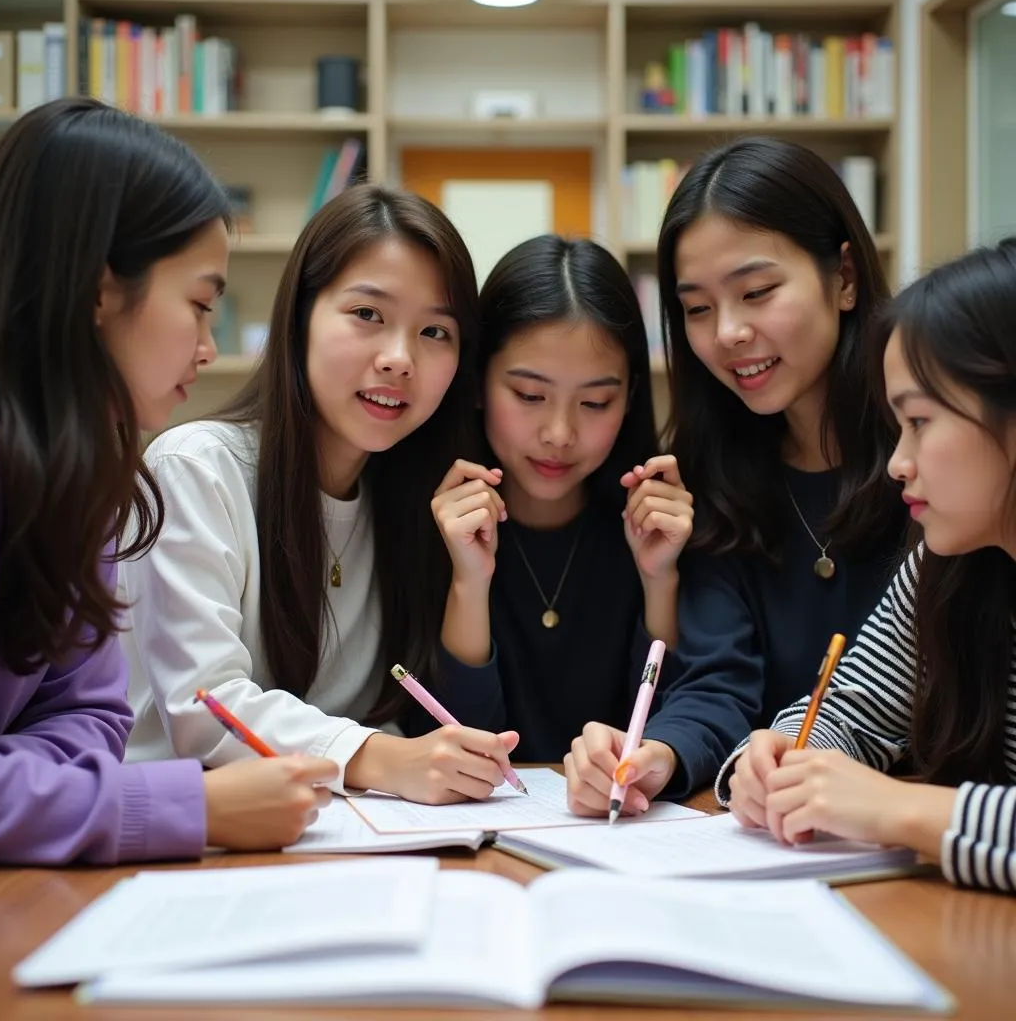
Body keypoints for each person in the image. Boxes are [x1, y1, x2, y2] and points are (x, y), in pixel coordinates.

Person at [0, 97, 336, 865]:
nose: (210, 348)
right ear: (99, 290)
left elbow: (89, 715)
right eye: (199, 304)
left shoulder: (79, 477)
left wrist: (34, 796)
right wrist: (187, 807)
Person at [120, 184, 519, 805]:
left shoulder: (416, 500)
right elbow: (204, 709)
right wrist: (383, 757)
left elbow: (402, 709)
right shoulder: (196, 469)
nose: (399, 358)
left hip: (338, 834)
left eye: (435, 331)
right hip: (185, 837)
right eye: (367, 315)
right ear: (300, 316)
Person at [566, 137, 907, 815]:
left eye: (757, 292)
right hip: (787, 826)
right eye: (696, 308)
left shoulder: (929, 458)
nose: (728, 333)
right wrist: (658, 755)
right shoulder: (712, 475)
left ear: (844, 277)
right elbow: (718, 683)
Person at [725, 238, 1016, 894]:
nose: (897, 462)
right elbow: (851, 712)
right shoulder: (951, 571)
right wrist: (776, 760)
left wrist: (898, 809)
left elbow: (888, 802)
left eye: (919, 421)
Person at [431, 235, 693, 762]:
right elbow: (455, 745)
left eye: (596, 402)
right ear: (478, 382)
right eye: (529, 396)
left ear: (630, 397)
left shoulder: (657, 523)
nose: (559, 433)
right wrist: (469, 583)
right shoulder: (434, 519)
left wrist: (660, 580)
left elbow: (665, 725)